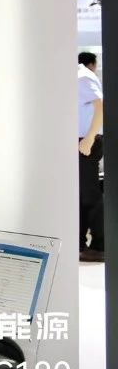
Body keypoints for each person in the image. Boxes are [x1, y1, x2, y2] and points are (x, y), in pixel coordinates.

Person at [79, 51, 104, 262]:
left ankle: (100, 245)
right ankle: (80, 244)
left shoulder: (82, 76)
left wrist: (89, 138)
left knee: (89, 195)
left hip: (86, 141)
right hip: (82, 140)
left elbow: (100, 105)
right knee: (80, 195)